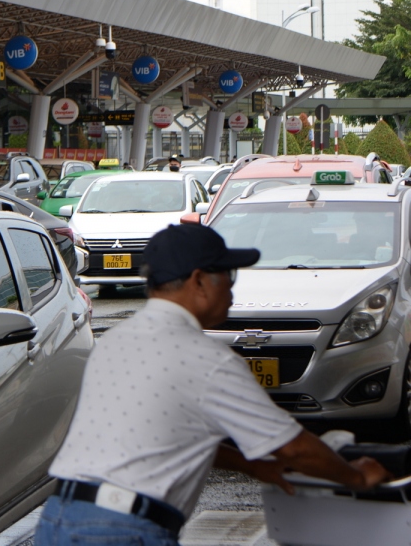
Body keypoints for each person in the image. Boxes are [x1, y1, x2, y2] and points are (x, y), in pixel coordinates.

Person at [35, 224, 388, 546]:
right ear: (200, 280)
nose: (234, 288)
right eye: (228, 275)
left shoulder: (117, 340)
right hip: (122, 531)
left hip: (59, 519)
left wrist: (252, 466)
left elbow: (168, 436)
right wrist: (357, 477)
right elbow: (293, 448)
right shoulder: (204, 357)